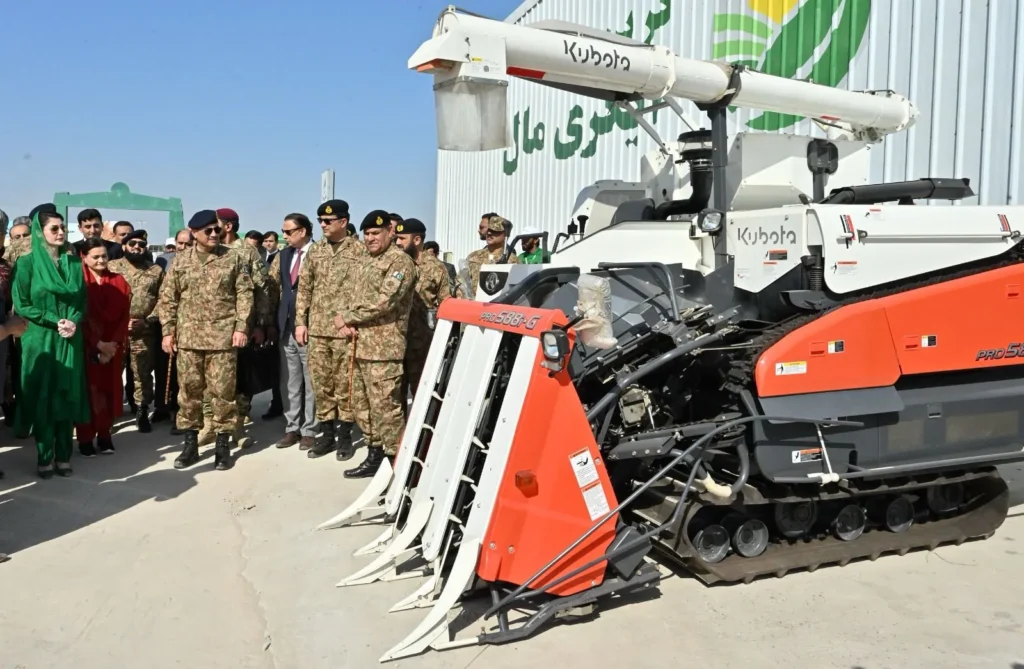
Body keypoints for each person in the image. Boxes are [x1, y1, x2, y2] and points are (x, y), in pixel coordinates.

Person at [158, 209, 254, 471]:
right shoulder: (180, 261)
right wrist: (168, 331)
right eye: (207, 231)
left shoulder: (232, 258)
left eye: (217, 229)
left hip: (222, 339)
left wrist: (241, 327)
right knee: (188, 394)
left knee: (223, 394)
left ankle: (222, 446)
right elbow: (168, 299)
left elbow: (244, 294)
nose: (214, 234)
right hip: (188, 339)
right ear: (194, 233)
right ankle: (190, 445)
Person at [335, 209, 417, 479]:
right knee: (362, 407)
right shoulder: (363, 261)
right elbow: (350, 295)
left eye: (375, 233)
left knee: (386, 410)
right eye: (367, 233)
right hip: (358, 346)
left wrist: (347, 316)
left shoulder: (399, 263)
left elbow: (386, 301)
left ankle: (399, 467)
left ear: (390, 232)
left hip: (384, 350)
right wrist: (347, 321)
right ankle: (375, 456)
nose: (370, 238)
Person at [12, 204, 90, 478]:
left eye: (62, 228)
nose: (60, 233)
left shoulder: (73, 262)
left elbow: (81, 299)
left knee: (66, 394)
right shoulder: (27, 263)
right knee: (43, 396)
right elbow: (21, 303)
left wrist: (73, 321)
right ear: (39, 231)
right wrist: (52, 320)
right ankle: (45, 456)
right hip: (40, 338)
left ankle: (64, 456)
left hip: (69, 337)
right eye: (53, 228)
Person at [294, 199, 364, 460]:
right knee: (321, 384)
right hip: (318, 330)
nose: (322, 225)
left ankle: (345, 436)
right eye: (320, 220)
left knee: (346, 384)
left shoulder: (359, 251)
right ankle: (326, 434)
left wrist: (353, 320)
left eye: (328, 221)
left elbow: (364, 291)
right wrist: (301, 322)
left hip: (345, 331)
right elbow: (305, 289)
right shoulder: (316, 251)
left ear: (343, 222)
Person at [75, 238, 131, 456]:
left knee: (108, 391)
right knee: (87, 392)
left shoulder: (119, 281)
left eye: (104, 256)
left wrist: (112, 346)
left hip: (112, 348)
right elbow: (80, 317)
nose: (100, 260)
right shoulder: (78, 281)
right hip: (86, 345)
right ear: (84, 257)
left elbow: (124, 315)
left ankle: (105, 437)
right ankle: (85, 438)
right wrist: (97, 344)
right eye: (95, 256)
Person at [268, 213, 317, 450]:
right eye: (283, 231)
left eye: (288, 231)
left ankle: (310, 429)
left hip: (310, 328)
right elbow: (275, 288)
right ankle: (292, 427)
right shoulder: (283, 255)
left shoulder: (319, 254)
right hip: (285, 326)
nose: (284, 236)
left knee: (311, 382)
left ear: (303, 231)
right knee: (289, 380)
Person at [108, 229, 164, 433]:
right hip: (115, 332)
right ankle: (110, 414)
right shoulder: (111, 267)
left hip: (144, 332)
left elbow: (164, 300)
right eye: (133, 244)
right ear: (124, 246)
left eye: (141, 245)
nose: (137, 248)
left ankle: (141, 410)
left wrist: (148, 321)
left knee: (142, 373)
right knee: (113, 373)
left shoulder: (155, 271)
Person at [394, 218, 451, 400]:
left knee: (422, 392)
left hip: (422, 343)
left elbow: (446, 303)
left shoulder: (436, 268)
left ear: (417, 240)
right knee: (395, 395)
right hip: (395, 340)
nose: (397, 242)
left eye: (402, 238)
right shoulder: (394, 263)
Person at [458, 214, 520, 298]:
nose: (490, 233)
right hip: (473, 307)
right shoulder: (474, 257)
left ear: (505, 234)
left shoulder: (513, 261)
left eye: (495, 231)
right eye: (489, 230)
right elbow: (460, 282)